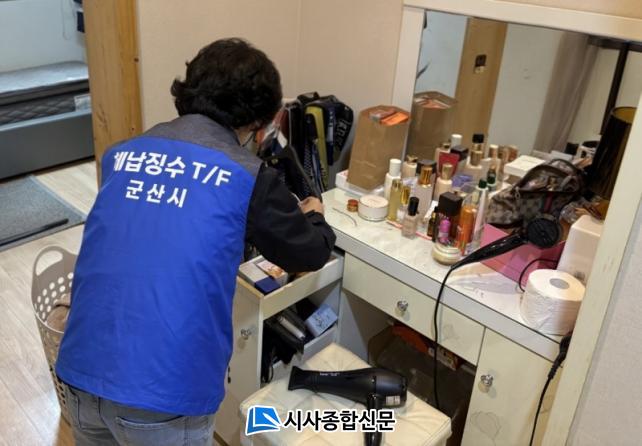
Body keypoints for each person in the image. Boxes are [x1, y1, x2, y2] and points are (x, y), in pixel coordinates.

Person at [55, 38, 335, 446]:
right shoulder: (247, 175)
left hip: (80, 373)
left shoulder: (122, 154)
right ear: (258, 121)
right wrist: (314, 214)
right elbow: (309, 252)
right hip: (162, 394)